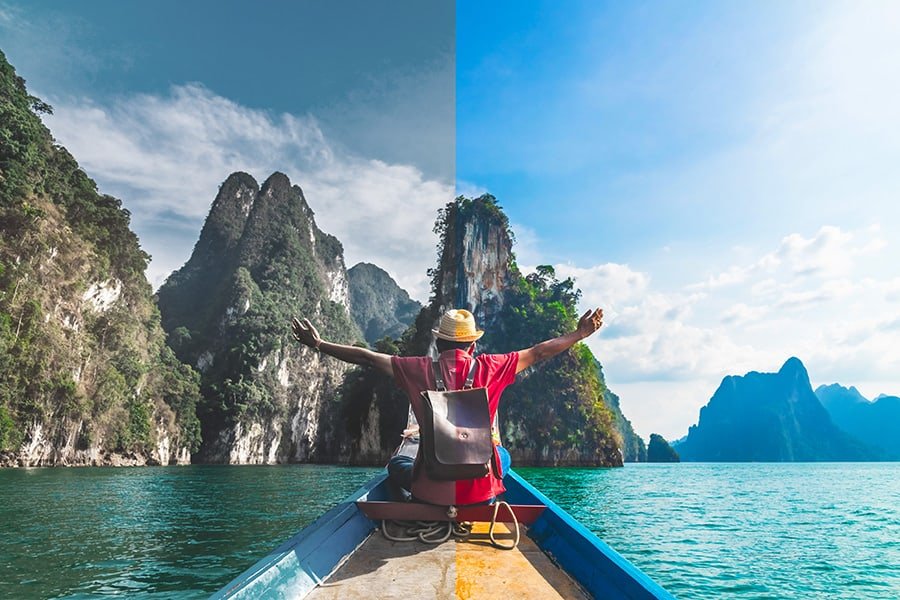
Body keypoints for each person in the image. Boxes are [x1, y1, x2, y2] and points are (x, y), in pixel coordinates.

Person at [291, 306, 603, 506]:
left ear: (437, 344)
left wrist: (318, 344)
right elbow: (538, 353)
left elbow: (367, 357)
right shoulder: (493, 366)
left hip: (429, 491)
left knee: (396, 465)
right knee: (502, 454)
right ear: (473, 345)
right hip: (481, 494)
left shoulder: (416, 368)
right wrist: (579, 333)